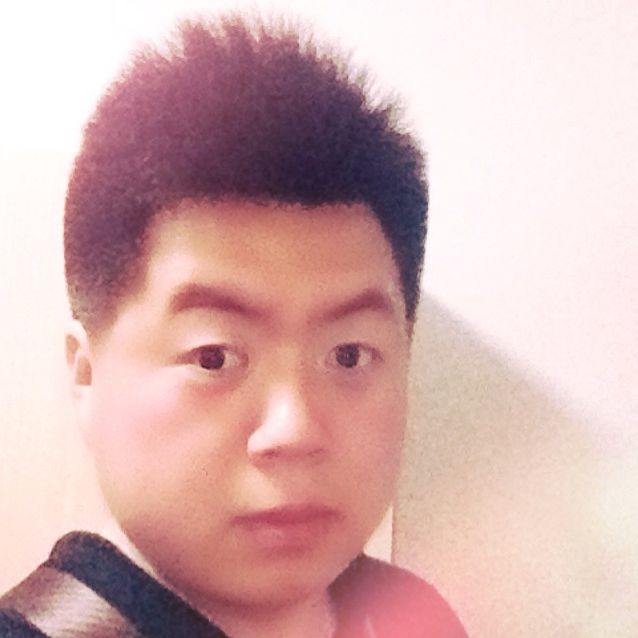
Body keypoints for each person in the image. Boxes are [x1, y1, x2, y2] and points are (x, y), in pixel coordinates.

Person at [0, 13, 467, 638]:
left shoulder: (407, 611)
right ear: (86, 376)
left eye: (349, 355)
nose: (294, 430)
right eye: (214, 357)